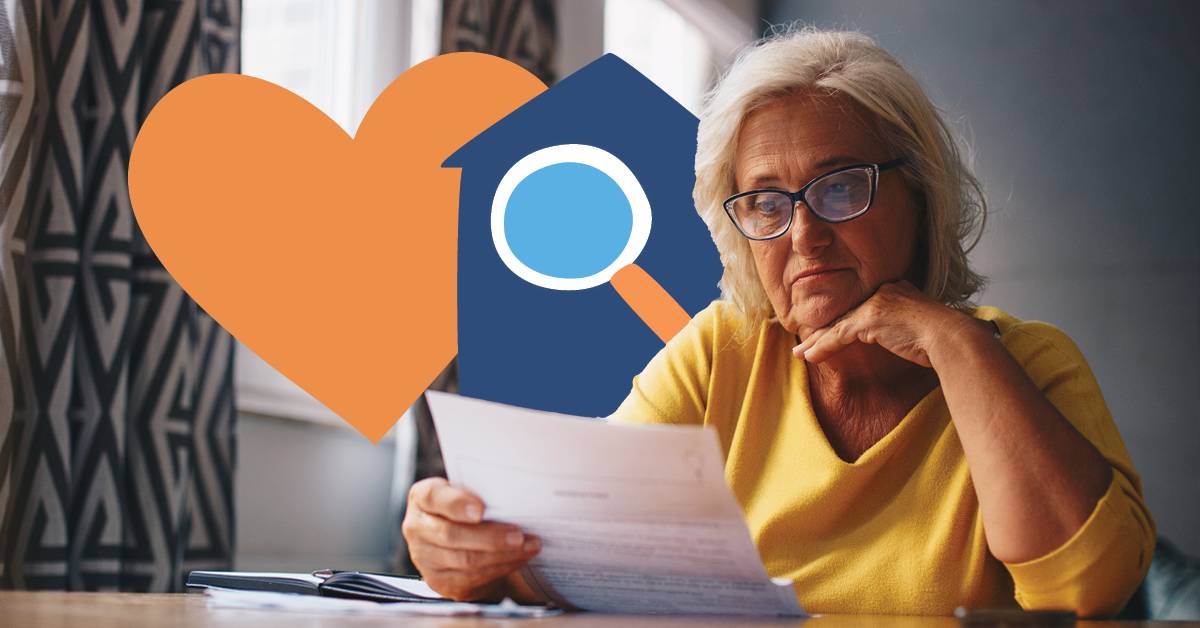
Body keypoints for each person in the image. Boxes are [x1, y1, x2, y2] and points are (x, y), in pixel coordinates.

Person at [401, 27, 1155, 616]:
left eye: (839, 186)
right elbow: (580, 555)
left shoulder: (1026, 362)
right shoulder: (721, 354)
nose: (803, 235)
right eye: (766, 201)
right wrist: (474, 553)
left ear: (921, 200)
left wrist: (950, 340)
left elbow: (1087, 590)